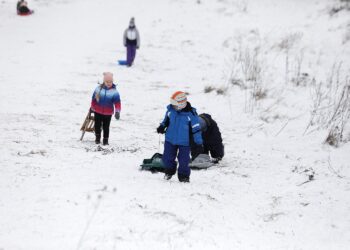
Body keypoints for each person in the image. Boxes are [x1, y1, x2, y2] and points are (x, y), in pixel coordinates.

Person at [157, 91, 203, 182]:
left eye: (174, 104)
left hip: (185, 143)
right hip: (170, 139)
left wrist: (198, 143)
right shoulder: (171, 110)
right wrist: (162, 126)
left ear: (181, 104)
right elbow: (165, 120)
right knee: (167, 157)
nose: (172, 106)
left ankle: (184, 176)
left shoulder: (191, 114)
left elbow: (196, 129)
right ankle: (169, 171)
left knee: (184, 161)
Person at [90, 72, 121, 145]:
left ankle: (105, 140)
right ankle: (97, 138)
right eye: (107, 81)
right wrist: (92, 107)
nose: (109, 83)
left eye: (110, 82)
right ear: (104, 81)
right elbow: (94, 99)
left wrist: (117, 111)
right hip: (97, 111)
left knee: (106, 127)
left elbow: (117, 103)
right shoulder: (98, 89)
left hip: (108, 113)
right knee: (97, 125)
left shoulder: (114, 92)